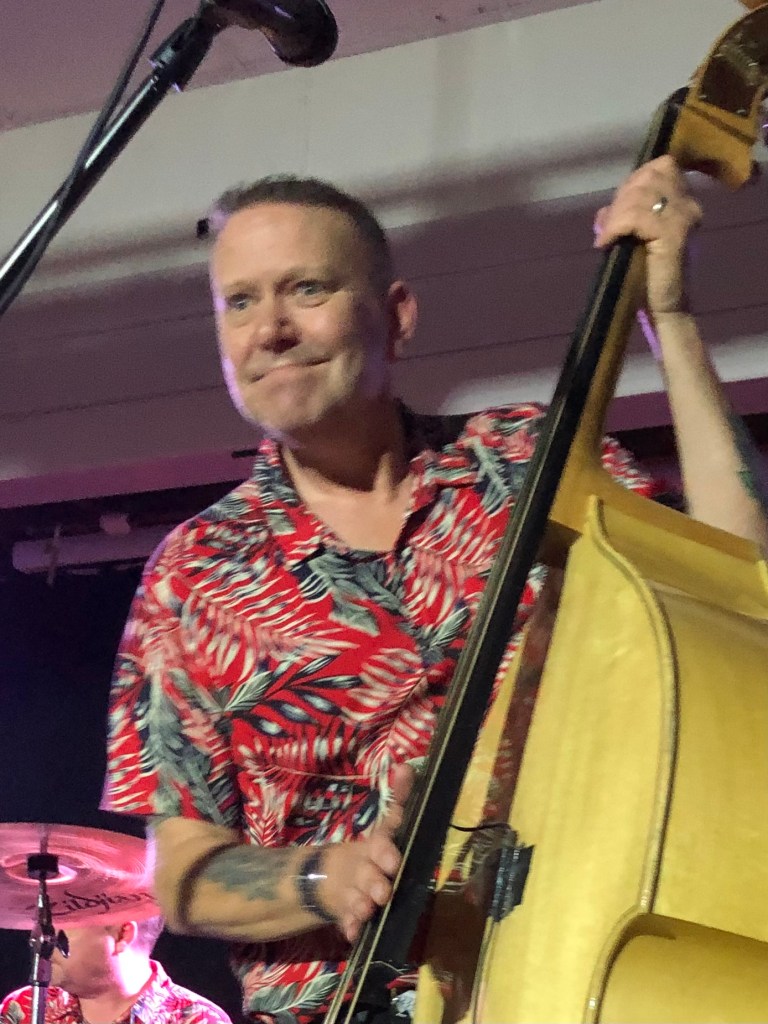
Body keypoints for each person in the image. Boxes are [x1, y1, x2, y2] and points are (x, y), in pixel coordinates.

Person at [102, 157, 768, 1024]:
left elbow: (736, 580)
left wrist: (670, 318)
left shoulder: (532, 461)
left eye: (307, 289)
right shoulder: (192, 573)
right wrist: (322, 875)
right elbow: (183, 875)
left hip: (575, 974)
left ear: (397, 315)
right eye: (239, 301)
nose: (270, 329)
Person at [0, 915, 233, 1024]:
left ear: (122, 934)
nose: (42, 938)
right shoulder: (24, 1008)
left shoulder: (198, 1020)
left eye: (65, 922)